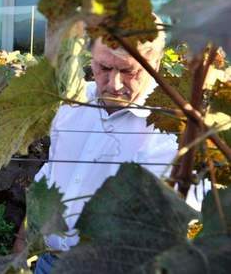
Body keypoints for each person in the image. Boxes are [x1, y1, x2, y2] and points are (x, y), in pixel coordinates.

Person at [15, 29, 180, 273]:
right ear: (91, 57)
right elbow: (50, 177)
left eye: (128, 71)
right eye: (104, 68)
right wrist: (21, 245)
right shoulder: (72, 103)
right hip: (49, 263)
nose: (114, 84)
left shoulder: (174, 128)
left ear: (155, 64)